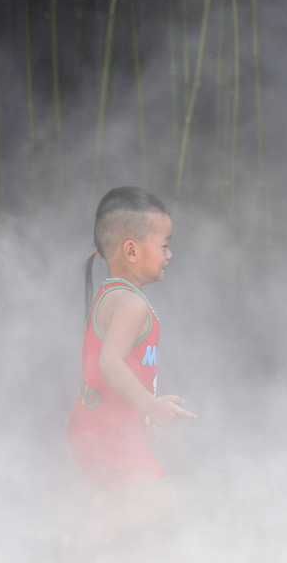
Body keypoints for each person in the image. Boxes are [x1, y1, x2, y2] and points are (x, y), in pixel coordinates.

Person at [65, 186, 197, 552]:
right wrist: (152, 407)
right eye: (165, 244)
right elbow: (110, 363)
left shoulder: (112, 295)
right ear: (132, 250)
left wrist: (146, 411)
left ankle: (83, 545)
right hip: (107, 434)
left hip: (94, 429)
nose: (170, 254)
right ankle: (69, 545)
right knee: (161, 499)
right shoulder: (131, 304)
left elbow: (118, 370)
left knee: (118, 510)